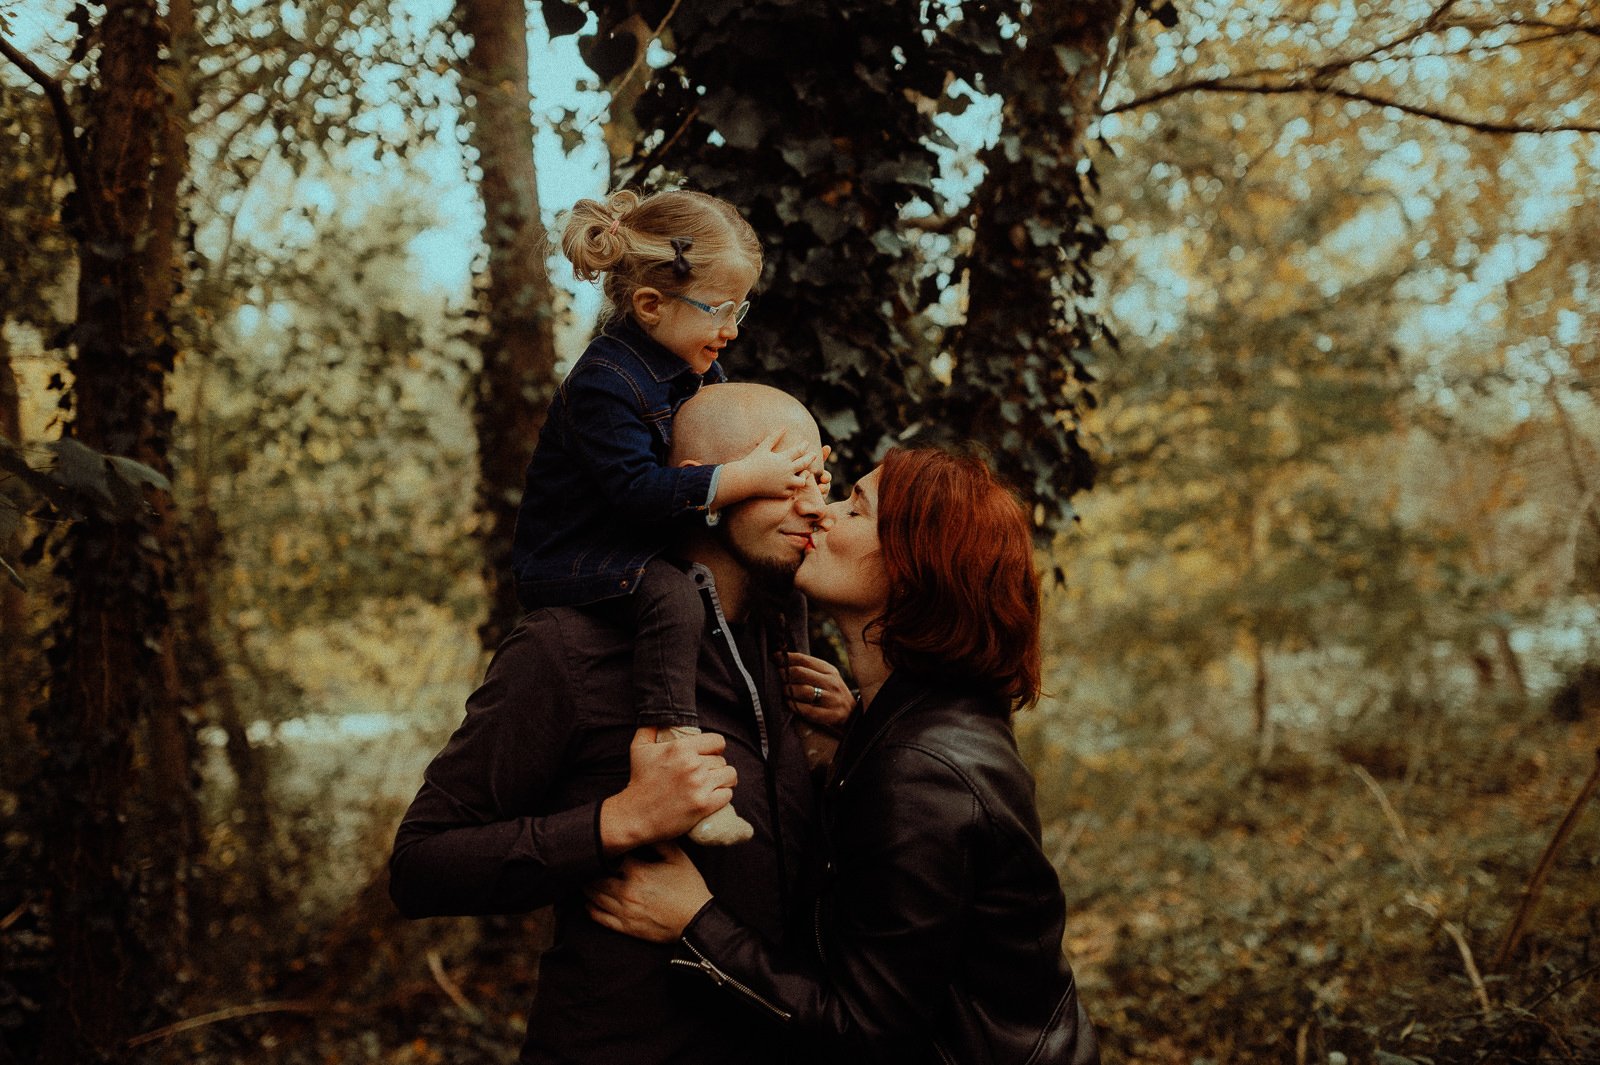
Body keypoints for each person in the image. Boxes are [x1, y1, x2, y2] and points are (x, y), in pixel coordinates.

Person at [587, 446, 1101, 1065]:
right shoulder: (929, 721)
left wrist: (695, 924)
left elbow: (864, 1030)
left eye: (855, 508)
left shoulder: (922, 771)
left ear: (915, 566)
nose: (821, 513)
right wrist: (860, 729)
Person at [390, 384, 853, 1065]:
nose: (814, 503)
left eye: (818, 476)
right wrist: (619, 822)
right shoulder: (566, 650)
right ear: (705, 488)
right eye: (786, 478)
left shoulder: (785, 649)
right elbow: (420, 866)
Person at [511, 187, 821, 845]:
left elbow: (704, 454)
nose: (733, 328)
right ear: (651, 305)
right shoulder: (605, 383)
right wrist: (744, 477)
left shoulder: (693, 366)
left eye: (742, 308)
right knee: (673, 597)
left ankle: (807, 710)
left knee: (783, 580)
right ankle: (678, 747)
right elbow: (639, 494)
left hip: (640, 538)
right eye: (720, 309)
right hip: (578, 555)